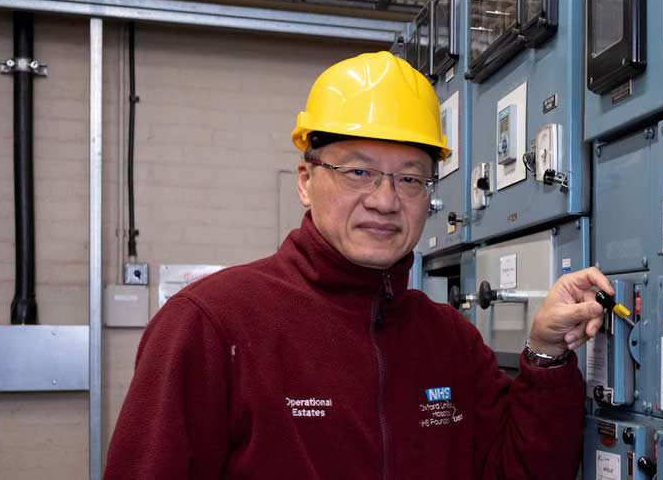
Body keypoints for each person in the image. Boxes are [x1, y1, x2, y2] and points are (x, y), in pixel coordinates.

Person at [104, 51, 610, 479]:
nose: (385, 201)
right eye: (359, 171)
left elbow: (519, 469)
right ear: (305, 179)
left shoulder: (450, 340)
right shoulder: (211, 325)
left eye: (410, 179)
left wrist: (547, 354)